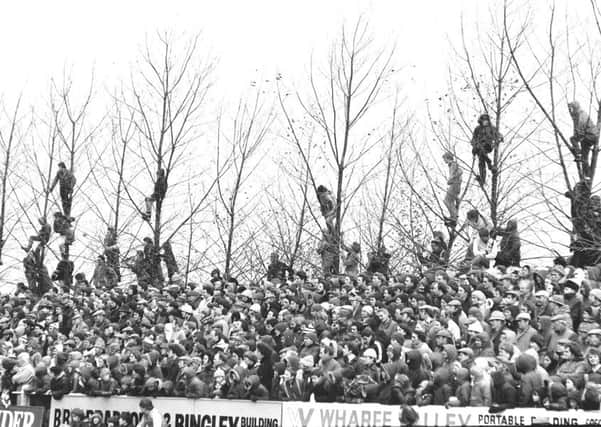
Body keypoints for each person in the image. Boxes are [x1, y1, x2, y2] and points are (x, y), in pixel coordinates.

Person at [568, 101, 599, 179]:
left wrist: (576, 142)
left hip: (590, 135)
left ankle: (578, 154)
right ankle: (587, 175)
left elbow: (579, 131)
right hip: (588, 136)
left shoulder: (581, 116)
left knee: (573, 139)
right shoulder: (577, 116)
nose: (570, 111)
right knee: (584, 158)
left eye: (571, 109)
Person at [470, 114, 501, 185]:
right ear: (481, 121)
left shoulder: (491, 128)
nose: (486, 122)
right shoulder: (477, 129)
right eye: (484, 120)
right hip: (478, 147)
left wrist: (500, 138)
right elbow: (473, 139)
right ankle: (482, 179)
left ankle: (490, 165)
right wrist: (474, 146)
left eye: (487, 120)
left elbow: (498, 135)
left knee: (481, 151)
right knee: (481, 162)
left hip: (487, 145)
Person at [442, 151, 462, 226]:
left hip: (455, 185)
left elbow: (459, 172)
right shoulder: (452, 165)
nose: (444, 161)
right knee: (450, 201)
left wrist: (451, 179)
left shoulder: (453, 164)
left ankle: (454, 218)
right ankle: (453, 217)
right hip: (455, 185)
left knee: (446, 201)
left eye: (445, 159)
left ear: (448, 158)